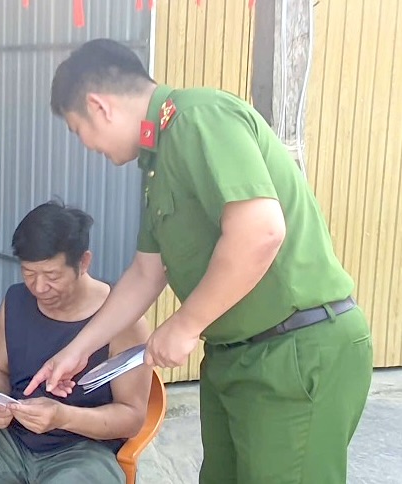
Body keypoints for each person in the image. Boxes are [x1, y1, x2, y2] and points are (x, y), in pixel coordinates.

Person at [24, 39, 373, 483]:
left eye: (79, 130)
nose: (86, 145)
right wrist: (77, 351)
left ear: (99, 106)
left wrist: (185, 324)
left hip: (294, 351)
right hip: (236, 357)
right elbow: (146, 273)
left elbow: (260, 231)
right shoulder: (157, 163)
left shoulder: (199, 117)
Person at [0, 201, 152, 484]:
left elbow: (132, 417)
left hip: (82, 451)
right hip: (10, 439)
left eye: (52, 275)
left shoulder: (122, 320)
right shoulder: (15, 301)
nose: (38, 287)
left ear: (83, 262)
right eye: (28, 273)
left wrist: (62, 417)